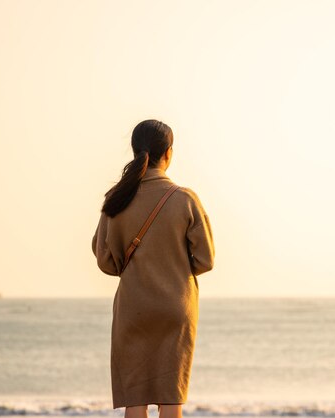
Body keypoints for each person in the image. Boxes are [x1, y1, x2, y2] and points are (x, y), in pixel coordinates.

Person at [91, 119, 215, 418]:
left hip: (133, 308)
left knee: (136, 398)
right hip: (176, 307)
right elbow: (205, 260)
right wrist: (173, 265)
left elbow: (104, 259)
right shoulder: (185, 199)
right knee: (171, 398)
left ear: (135, 152)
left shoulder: (116, 199)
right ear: (168, 153)